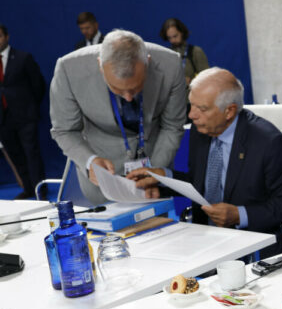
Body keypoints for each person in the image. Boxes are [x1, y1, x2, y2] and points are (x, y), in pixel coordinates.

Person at [127, 67, 282, 256]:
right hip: (205, 237)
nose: (192, 115)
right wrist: (164, 177)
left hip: (252, 242)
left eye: (202, 109)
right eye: (192, 105)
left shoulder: (269, 142)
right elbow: (202, 184)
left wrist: (240, 215)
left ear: (229, 111)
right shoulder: (202, 130)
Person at [50, 29, 187, 204]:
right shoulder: (69, 69)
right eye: (117, 89)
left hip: (155, 171)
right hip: (103, 180)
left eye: (136, 88)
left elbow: (172, 127)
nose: (128, 97)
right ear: (100, 65)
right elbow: (64, 130)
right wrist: (90, 161)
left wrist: (153, 173)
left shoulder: (170, 64)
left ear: (148, 63)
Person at [0, 24, 46, 199]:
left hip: (25, 116)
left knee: (31, 153)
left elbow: (38, 85)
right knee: (15, 154)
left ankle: (39, 189)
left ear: (7, 37)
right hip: (3, 118)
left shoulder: (22, 58)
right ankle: (27, 188)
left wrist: (30, 107)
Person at [159, 17, 209, 87]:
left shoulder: (195, 52)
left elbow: (207, 79)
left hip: (192, 95)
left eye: (175, 36)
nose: (172, 41)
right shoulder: (166, 54)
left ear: (182, 32)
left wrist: (192, 81)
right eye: (169, 38)